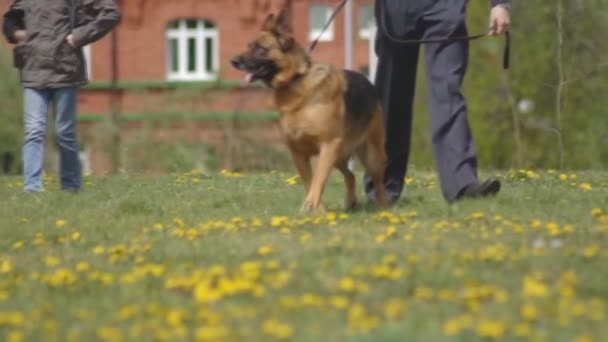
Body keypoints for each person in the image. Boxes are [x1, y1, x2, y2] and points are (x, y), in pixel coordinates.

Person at [365, 0, 511, 204]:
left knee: (447, 90)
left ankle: (461, 185)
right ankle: (382, 187)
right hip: (396, 9)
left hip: (445, 7)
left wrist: (499, 4)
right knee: (391, 96)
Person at [2, 0, 121, 193]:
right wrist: (15, 33)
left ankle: (71, 186)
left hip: (65, 70)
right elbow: (11, 18)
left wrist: (79, 36)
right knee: (34, 130)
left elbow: (111, 13)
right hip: (33, 70)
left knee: (64, 133)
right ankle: (32, 188)